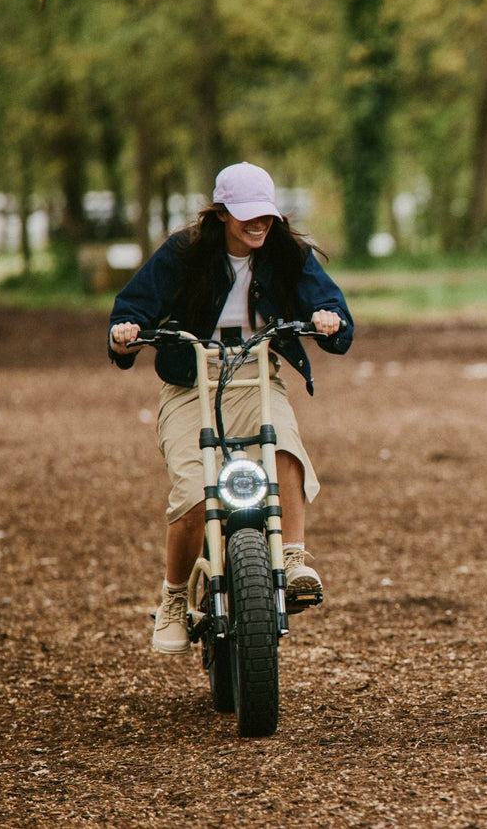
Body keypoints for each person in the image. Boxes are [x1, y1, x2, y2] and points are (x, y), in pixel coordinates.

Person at [108, 162, 354, 655]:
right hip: (189, 381)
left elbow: (333, 313)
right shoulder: (186, 251)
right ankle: (175, 598)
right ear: (221, 214)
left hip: (256, 373)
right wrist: (126, 332)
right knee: (196, 493)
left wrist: (328, 319)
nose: (258, 224)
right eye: (246, 215)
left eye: (265, 214)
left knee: (282, 445)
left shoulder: (288, 253)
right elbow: (131, 307)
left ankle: (293, 556)